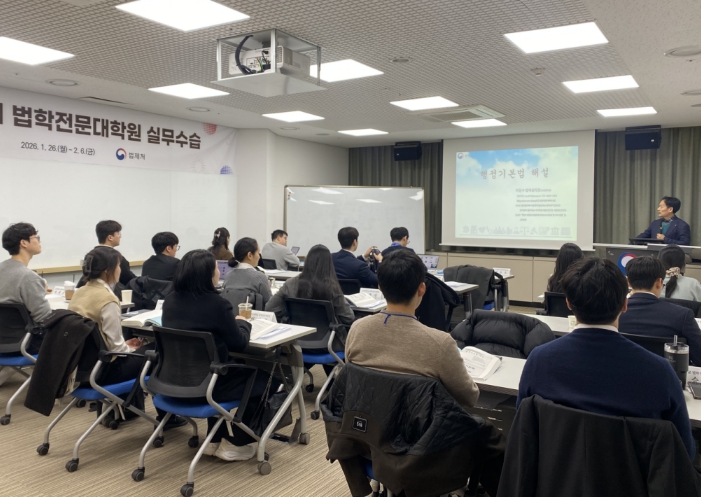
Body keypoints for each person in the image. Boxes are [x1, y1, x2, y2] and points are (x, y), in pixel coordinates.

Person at [345, 251, 504, 495]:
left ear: (379, 287)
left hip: (367, 439)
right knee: (491, 438)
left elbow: (356, 382)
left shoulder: (357, 329)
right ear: (422, 288)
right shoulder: (439, 342)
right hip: (423, 449)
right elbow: (469, 397)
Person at [517, 257, 695, 461]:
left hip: (554, 474)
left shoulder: (539, 360)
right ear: (625, 304)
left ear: (568, 303)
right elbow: (685, 452)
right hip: (635, 478)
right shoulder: (660, 371)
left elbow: (524, 429)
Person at [162, 249, 274, 461]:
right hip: (210, 385)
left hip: (175, 381)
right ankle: (238, 442)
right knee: (265, 379)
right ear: (207, 274)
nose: (218, 272)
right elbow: (239, 343)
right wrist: (243, 322)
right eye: (215, 268)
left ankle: (214, 439)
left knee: (214, 366)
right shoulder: (217, 304)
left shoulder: (170, 301)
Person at [68, 246, 185, 429]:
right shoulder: (108, 299)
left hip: (80, 368)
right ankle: (167, 417)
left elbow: (102, 339)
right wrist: (129, 348)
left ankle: (131, 410)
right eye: (118, 266)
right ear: (107, 271)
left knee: (143, 349)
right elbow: (118, 351)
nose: (120, 270)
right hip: (105, 371)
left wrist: (126, 346)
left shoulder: (80, 292)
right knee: (160, 351)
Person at [619, 256, 701, 366]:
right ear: (659, 282)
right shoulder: (683, 315)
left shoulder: (614, 313)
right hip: (668, 375)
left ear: (628, 282)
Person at [0, 223, 52, 386]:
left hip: (4, 339)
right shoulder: (28, 277)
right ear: (24, 243)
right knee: (72, 331)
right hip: (25, 343)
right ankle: (58, 387)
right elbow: (45, 318)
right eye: (36, 237)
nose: (39, 241)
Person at [266, 244, 354, 326]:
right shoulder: (332, 287)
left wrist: (287, 314)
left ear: (307, 261)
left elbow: (269, 308)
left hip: (296, 333)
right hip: (327, 336)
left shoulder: (290, 283)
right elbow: (349, 317)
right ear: (329, 264)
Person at [223, 237, 272, 307]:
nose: (259, 257)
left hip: (230, 313)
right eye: (258, 253)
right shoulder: (260, 277)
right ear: (250, 255)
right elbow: (270, 304)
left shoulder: (228, 276)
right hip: (251, 314)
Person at [93, 220, 137, 287]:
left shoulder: (92, 255)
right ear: (110, 237)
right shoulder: (114, 257)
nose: (120, 236)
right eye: (118, 233)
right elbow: (128, 279)